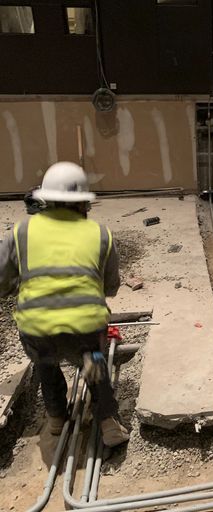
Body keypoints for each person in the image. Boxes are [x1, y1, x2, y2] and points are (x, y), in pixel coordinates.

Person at [0, 162, 129, 447]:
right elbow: (111, 286)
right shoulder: (101, 234)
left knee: (45, 362)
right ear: (84, 202)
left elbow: (1, 280)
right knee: (95, 361)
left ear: (45, 198)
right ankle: (108, 422)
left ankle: (56, 417)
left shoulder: (20, 232)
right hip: (84, 329)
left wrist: (19, 289)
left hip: (36, 328)